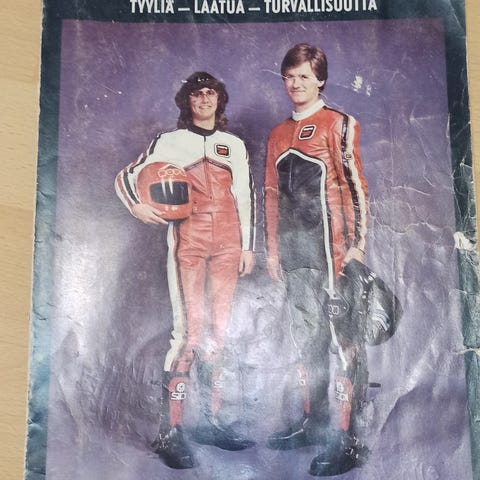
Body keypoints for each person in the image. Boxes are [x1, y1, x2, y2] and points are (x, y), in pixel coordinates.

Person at [115, 72, 256, 469]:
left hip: (229, 243)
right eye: (197, 94)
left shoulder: (234, 145)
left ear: (219, 100)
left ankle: (212, 421)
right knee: (189, 334)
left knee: (219, 333)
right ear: (187, 101)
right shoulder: (169, 141)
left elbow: (245, 195)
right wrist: (137, 206)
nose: (205, 99)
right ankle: (170, 431)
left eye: (211, 93)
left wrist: (248, 246)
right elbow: (127, 176)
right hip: (188, 243)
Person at [264, 43, 369, 476]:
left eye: (304, 76)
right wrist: (273, 252)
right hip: (296, 256)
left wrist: (358, 245)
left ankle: (346, 440)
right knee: (306, 339)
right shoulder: (277, 134)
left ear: (320, 79)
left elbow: (356, 186)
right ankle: (313, 422)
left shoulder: (338, 124)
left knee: (342, 341)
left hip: (333, 253)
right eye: (290, 76)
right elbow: (271, 196)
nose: (296, 84)